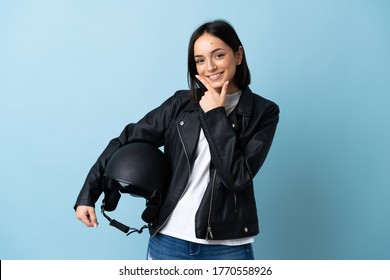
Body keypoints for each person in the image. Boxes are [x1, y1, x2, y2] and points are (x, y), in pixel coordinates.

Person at [74, 19, 279, 260]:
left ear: (238, 55)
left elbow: (236, 178)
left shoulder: (263, 112)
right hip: (169, 240)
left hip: (228, 246)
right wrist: (89, 192)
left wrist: (215, 114)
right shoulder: (181, 105)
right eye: (200, 60)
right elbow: (127, 138)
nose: (210, 67)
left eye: (218, 55)